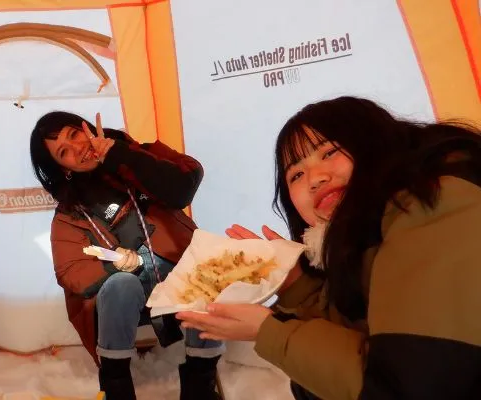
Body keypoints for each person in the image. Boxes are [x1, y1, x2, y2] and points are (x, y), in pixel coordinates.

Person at [177, 96, 481, 399]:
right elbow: (365, 330)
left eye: (329, 152)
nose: (315, 179)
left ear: (374, 140)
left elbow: (400, 388)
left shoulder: (436, 203)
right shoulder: (372, 236)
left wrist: (270, 332)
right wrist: (295, 283)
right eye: (296, 174)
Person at [29, 111, 224, 400]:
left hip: (176, 275)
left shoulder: (138, 154)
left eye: (74, 134)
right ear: (63, 169)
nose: (77, 148)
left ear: (86, 127)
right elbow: (69, 270)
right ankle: (116, 385)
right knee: (122, 284)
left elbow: (185, 183)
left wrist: (120, 155)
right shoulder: (69, 213)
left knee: (202, 273)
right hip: (127, 296)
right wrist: (112, 267)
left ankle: (200, 385)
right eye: (63, 152)